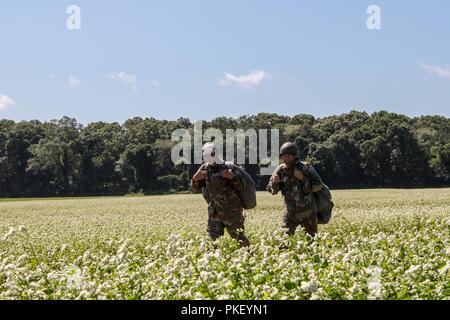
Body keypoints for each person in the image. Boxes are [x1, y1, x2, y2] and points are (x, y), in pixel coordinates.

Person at [190, 142, 250, 247]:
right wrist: (195, 180)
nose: (209, 157)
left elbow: (243, 186)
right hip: (214, 212)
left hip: (232, 212)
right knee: (211, 241)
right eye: (206, 155)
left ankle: (249, 257)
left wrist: (232, 177)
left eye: (211, 154)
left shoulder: (229, 167)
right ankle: (212, 260)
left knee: (239, 239)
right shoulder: (204, 169)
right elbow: (194, 189)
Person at [267, 142, 324, 237]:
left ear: (294, 156)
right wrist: (275, 182)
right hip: (289, 213)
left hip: (307, 212)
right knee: (283, 241)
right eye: (284, 156)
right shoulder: (279, 170)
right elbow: (271, 190)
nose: (286, 158)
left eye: (289, 156)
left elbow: (319, 185)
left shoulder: (305, 167)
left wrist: (303, 178)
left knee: (312, 241)